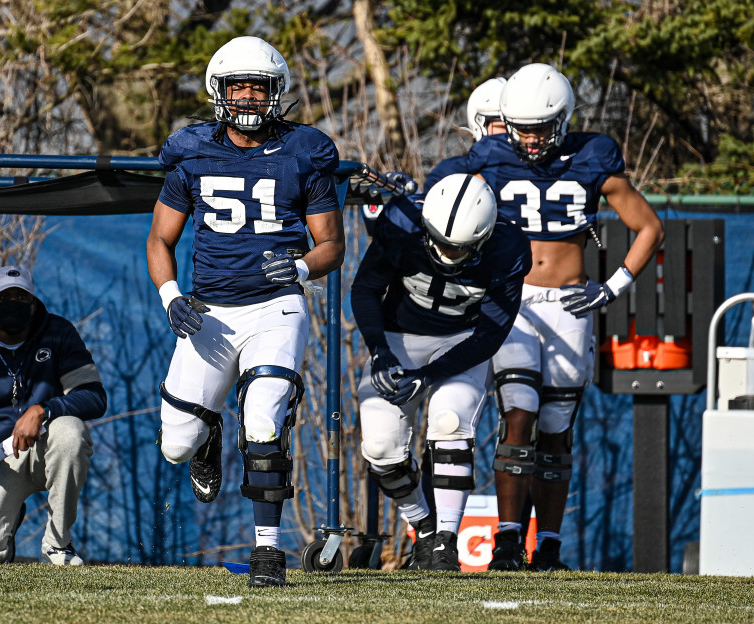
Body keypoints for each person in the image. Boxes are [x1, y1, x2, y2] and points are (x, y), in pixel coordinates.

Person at [146, 36, 345, 587]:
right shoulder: (192, 152)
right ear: (220, 92)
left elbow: (332, 244)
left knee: (262, 418)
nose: (250, 98)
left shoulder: (304, 153)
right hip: (210, 308)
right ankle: (209, 436)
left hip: (276, 307)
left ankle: (266, 554)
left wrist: (303, 269)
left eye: (260, 87)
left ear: (277, 93)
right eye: (239, 86)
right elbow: (160, 239)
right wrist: (171, 297)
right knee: (176, 443)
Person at [466, 63, 664, 571]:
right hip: (512, 300)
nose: (531, 139)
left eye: (541, 127)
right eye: (522, 127)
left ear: (564, 119)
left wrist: (612, 287)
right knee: (519, 411)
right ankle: (508, 541)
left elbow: (649, 228)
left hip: (570, 303)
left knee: (555, 425)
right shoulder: (488, 157)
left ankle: (548, 545)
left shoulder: (593, 155)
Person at [350, 174, 530, 571]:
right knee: (381, 449)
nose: (447, 253)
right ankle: (425, 528)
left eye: (459, 247)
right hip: (398, 337)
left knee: (450, 422)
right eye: (440, 241)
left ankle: (446, 542)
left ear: (482, 238)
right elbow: (364, 290)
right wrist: (379, 351)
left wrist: (427, 376)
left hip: (461, 340)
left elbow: (489, 336)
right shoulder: (401, 223)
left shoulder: (508, 247)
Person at [0, 265, 107, 565]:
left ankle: (58, 544)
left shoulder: (58, 333)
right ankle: (7, 520)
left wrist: (44, 410)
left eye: (20, 297)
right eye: (4, 298)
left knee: (70, 431)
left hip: (44, 446)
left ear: (33, 302)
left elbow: (94, 396)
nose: (12, 304)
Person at [424, 77, 507, 189]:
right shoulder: (451, 175)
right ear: (479, 124)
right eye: (502, 126)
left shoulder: (536, 169)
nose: (513, 133)